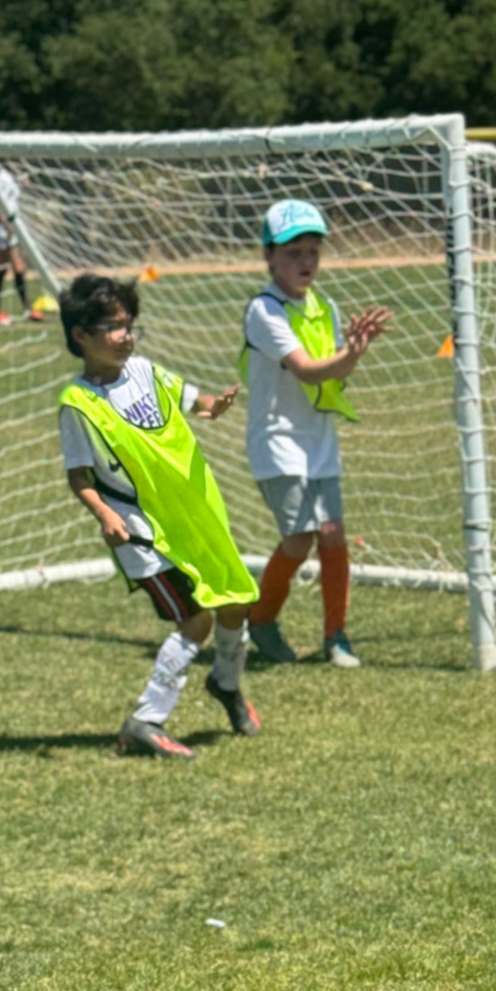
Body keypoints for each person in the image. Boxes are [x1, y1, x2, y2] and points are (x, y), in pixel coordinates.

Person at [58, 273, 260, 758]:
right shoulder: (78, 405)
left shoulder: (146, 372)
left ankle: (226, 684)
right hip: (142, 530)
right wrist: (105, 514)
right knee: (196, 621)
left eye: (130, 325)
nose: (125, 335)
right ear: (80, 335)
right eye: (112, 326)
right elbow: (79, 479)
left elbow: (195, 401)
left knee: (234, 602)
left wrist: (216, 405)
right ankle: (144, 721)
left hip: (193, 516)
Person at [243, 199, 391, 669]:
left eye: (312, 251)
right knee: (299, 539)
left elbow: (332, 377)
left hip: (319, 441)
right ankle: (261, 620)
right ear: (268, 256)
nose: (305, 261)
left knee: (332, 533)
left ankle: (336, 636)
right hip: (279, 441)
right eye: (292, 252)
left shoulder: (324, 307)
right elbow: (306, 371)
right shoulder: (264, 311)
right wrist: (351, 351)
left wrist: (355, 352)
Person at [0, 166, 43, 327]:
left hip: (9, 228)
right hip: (0, 229)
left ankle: (28, 309)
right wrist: (5, 222)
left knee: (17, 269)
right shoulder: (2, 177)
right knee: (5, 269)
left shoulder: (12, 177)